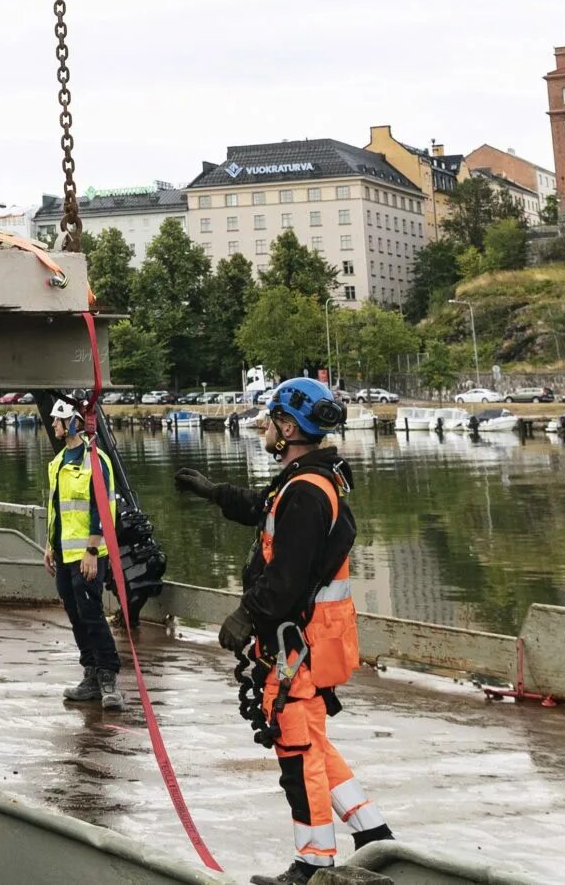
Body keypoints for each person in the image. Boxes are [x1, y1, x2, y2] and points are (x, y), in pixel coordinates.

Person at [178, 378, 396, 884]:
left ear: (290, 427)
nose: (265, 428)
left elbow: (287, 576)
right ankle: (373, 832)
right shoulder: (310, 480)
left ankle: (314, 863)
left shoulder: (306, 492)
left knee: (297, 751)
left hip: (298, 643)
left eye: (271, 420)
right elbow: (263, 507)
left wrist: (246, 615)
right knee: (312, 738)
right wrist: (216, 494)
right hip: (313, 639)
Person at [42, 398, 123, 711]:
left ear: (71, 423)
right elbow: (57, 510)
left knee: (91, 613)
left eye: (57, 420)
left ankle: (108, 676)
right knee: (75, 612)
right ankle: (90, 673)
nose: (53, 425)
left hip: (88, 552)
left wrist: (91, 550)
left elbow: (100, 508)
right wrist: (50, 545)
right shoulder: (59, 461)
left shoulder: (95, 460)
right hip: (63, 553)